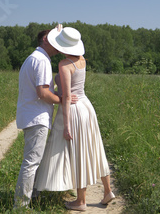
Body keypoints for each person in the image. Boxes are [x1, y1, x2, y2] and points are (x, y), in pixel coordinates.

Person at [34, 27, 115, 211]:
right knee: (95, 147)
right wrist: (60, 31)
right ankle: (108, 190)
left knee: (79, 152)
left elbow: (68, 96)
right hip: (87, 106)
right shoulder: (81, 60)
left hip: (74, 110)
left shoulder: (64, 64)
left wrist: (67, 126)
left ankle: (81, 201)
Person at [14, 26, 77, 208]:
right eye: (54, 41)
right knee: (31, 163)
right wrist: (63, 99)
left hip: (32, 116)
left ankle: (32, 197)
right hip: (37, 118)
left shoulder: (34, 58)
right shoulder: (42, 61)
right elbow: (42, 93)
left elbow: (43, 90)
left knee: (33, 161)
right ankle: (20, 206)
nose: (58, 47)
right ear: (45, 41)